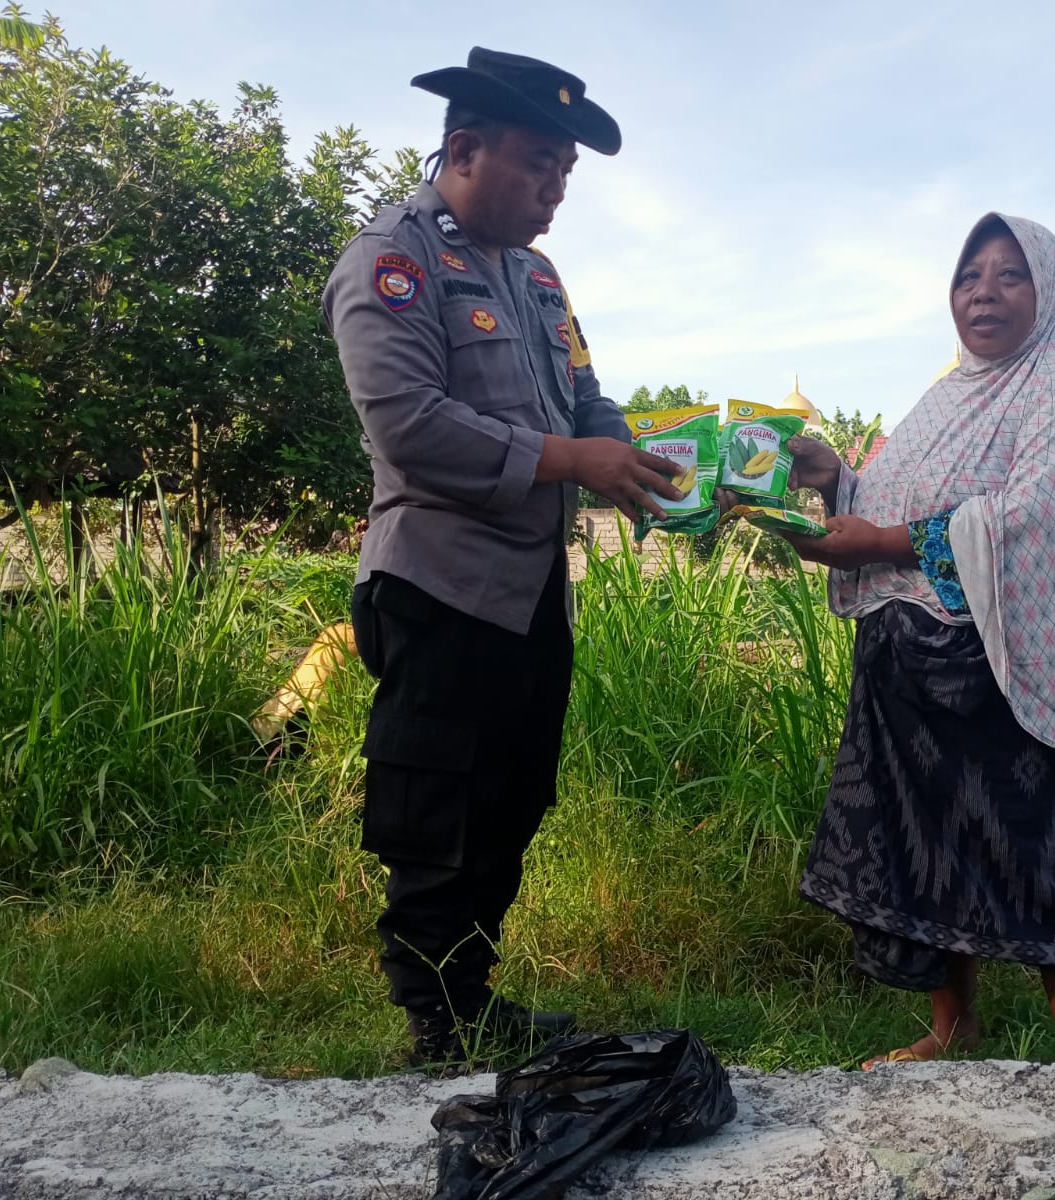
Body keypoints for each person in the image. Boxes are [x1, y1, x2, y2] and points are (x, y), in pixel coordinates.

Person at [322, 48, 680, 1068]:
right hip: (437, 581)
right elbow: (409, 424)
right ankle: (434, 1018)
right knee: (438, 803)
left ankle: (472, 997)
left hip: (529, 590)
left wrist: (642, 459)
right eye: (538, 164)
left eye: (566, 171)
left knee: (511, 797)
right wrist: (572, 460)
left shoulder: (537, 277)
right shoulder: (392, 260)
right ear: (466, 149)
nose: (555, 188)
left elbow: (586, 397)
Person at [778, 213, 1055, 1067]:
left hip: (1006, 676)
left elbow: (1030, 518)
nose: (984, 292)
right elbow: (895, 495)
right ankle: (952, 1028)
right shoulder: (951, 392)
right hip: (910, 676)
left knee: (1043, 858)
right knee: (930, 847)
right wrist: (836, 481)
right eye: (969, 275)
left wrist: (877, 542)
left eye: (1010, 275)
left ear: (1045, 292)